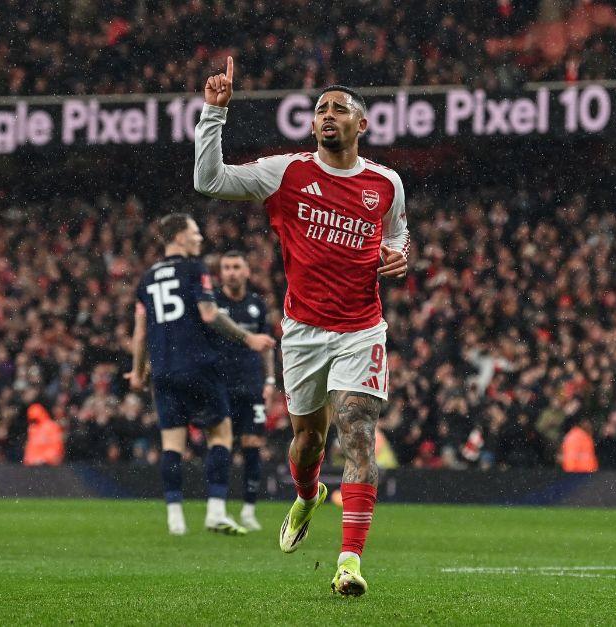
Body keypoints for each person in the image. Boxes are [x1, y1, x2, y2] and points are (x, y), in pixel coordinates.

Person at [194, 58, 409, 596]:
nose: (328, 115)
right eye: (320, 110)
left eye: (340, 108)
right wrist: (213, 113)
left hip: (362, 328)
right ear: (313, 126)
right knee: (308, 440)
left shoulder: (385, 183)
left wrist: (398, 254)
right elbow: (210, 180)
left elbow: (398, 235)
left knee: (357, 431)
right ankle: (307, 494)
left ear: (362, 125)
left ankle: (349, 563)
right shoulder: (286, 172)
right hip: (304, 331)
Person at [126, 214, 275, 536]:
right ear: (179, 237)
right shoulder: (195, 269)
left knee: (172, 444)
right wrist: (248, 338)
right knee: (221, 435)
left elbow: (139, 333)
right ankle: (216, 511)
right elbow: (209, 314)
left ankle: (175, 519)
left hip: (163, 370)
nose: (199, 238)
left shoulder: (146, 279)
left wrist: (138, 373)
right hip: (198, 365)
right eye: (194, 233)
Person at [211, 250, 276, 531]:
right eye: (226, 267)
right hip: (220, 385)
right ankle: (219, 507)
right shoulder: (212, 303)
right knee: (221, 446)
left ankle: (249, 509)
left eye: (237, 266)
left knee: (252, 447)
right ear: (220, 272)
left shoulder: (257, 305)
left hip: (251, 385)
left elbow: (267, 345)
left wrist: (270, 381)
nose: (231, 272)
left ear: (247, 272)